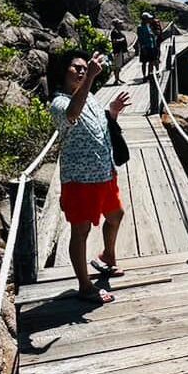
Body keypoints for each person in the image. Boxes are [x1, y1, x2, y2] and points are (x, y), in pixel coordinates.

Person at [47, 50, 131, 303]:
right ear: (63, 73)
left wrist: (113, 112)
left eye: (85, 67)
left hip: (104, 173)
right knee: (80, 230)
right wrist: (92, 78)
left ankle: (107, 257)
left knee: (116, 215)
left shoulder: (91, 97)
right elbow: (73, 113)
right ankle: (85, 286)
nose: (82, 71)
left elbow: (98, 124)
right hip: (79, 180)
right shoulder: (59, 103)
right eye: (76, 68)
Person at [136, 12, 159, 81]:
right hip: (145, 47)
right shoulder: (140, 27)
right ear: (144, 19)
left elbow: (152, 35)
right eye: (148, 18)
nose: (149, 20)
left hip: (151, 46)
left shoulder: (148, 26)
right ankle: (144, 76)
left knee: (151, 62)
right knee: (144, 62)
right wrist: (143, 47)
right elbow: (140, 38)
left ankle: (150, 74)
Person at [109, 20, 130, 85]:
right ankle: (116, 79)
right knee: (117, 66)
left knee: (119, 65)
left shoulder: (118, 31)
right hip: (116, 51)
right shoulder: (114, 32)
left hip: (120, 50)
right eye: (119, 23)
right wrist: (121, 40)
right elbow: (113, 41)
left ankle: (118, 78)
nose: (121, 24)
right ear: (116, 24)